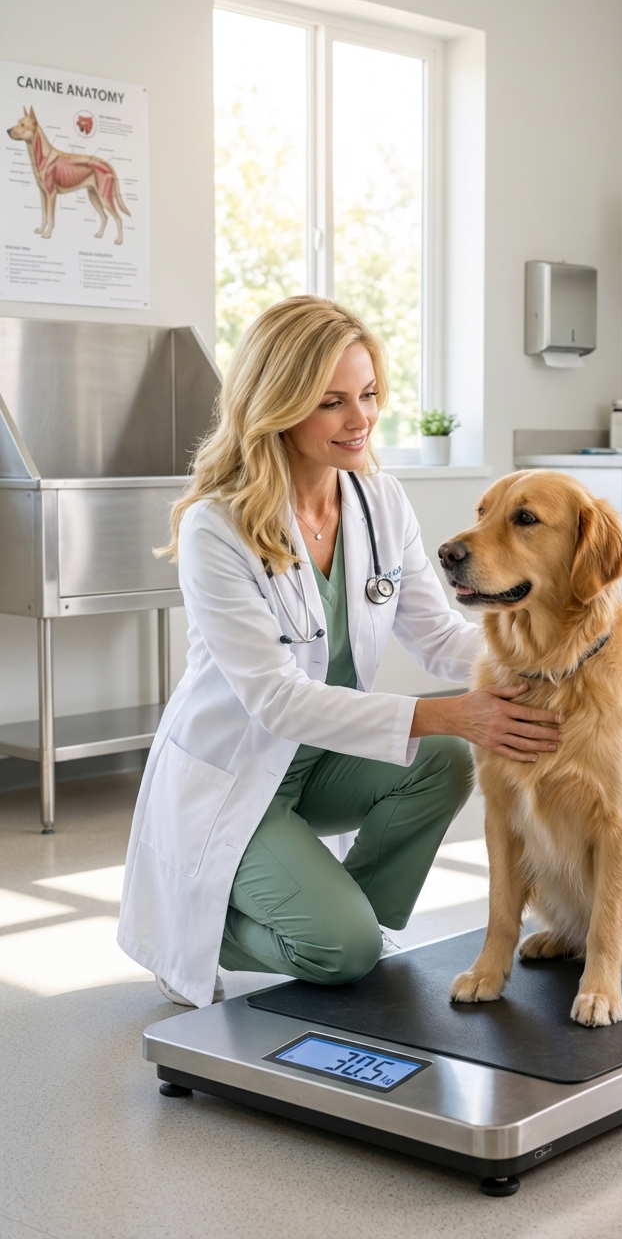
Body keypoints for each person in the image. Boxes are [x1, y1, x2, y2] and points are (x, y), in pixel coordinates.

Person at [117, 296, 561, 1008]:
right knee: (344, 943)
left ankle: (337, 919)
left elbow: (439, 634)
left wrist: (558, 657)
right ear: (279, 406)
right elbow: (276, 699)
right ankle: (203, 928)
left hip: (322, 762)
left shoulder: (378, 500)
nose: (361, 420)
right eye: (332, 403)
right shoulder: (215, 528)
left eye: (369, 394)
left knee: (443, 761)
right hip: (236, 775)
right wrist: (455, 715)